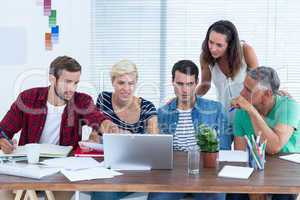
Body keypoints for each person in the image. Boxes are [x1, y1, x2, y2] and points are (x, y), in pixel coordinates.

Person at [0, 56, 118, 200]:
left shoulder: (81, 101)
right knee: (4, 192)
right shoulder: (28, 98)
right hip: (28, 167)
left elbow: (98, 119)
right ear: (52, 79)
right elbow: (3, 130)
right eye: (67, 82)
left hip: (63, 171)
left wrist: (109, 127)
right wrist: (3, 141)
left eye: (75, 83)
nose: (72, 89)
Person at [147, 60, 229, 200]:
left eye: (190, 84)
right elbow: (155, 152)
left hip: (205, 173)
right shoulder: (162, 113)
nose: (185, 90)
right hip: (173, 175)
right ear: (172, 81)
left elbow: (225, 148)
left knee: (217, 196)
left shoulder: (215, 108)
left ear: (197, 82)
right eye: (180, 84)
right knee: (156, 198)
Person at [91, 60, 159, 200]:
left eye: (131, 83)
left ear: (136, 83)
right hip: (108, 167)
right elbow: (96, 132)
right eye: (121, 83)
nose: (126, 88)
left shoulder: (147, 107)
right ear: (113, 82)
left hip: (135, 169)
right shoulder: (103, 99)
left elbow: (156, 142)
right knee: (101, 190)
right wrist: (90, 143)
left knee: (104, 193)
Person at [232, 66, 300, 200]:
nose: (241, 93)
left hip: (286, 170)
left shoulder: (288, 106)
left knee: (284, 196)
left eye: (248, 90)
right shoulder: (241, 111)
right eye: (243, 87)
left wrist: (252, 111)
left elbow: (274, 147)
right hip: (256, 167)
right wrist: (252, 187)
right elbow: (240, 154)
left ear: (267, 94)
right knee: (235, 194)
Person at [196, 20, 259, 149]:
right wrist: (184, 98)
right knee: (220, 155)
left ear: (230, 45)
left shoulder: (246, 51)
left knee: (245, 158)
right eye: (210, 42)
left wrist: (276, 92)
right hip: (224, 115)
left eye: (219, 45)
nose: (213, 48)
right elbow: (205, 85)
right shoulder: (206, 57)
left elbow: (259, 82)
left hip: (245, 114)